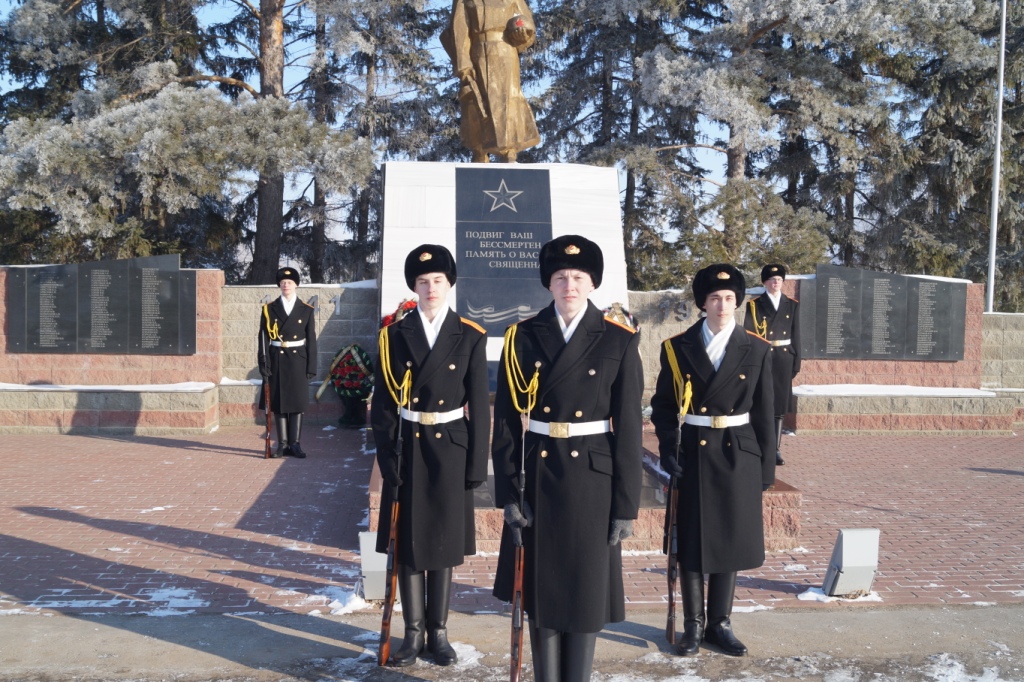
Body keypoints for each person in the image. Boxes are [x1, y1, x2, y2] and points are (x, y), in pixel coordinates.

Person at [491, 235, 643, 682]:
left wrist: (625, 504)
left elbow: (630, 428)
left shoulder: (618, 338)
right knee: (542, 592)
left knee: (583, 592)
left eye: (578, 277)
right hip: (538, 474)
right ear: (548, 283)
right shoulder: (523, 335)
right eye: (560, 277)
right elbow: (504, 423)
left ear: (592, 283)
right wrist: (508, 493)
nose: (569, 284)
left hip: (592, 479)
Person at [372, 244, 490, 667]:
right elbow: (383, 403)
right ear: (414, 287)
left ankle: (439, 634)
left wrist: (477, 464)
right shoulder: (394, 335)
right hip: (408, 445)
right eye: (423, 281)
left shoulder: (472, 334)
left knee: (443, 544)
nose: (431, 287)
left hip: (452, 447)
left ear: (449, 284)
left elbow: (479, 402)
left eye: (438, 280)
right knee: (407, 544)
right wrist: (386, 455)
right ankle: (413, 632)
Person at [650, 263, 775, 658]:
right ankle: (693, 625)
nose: (722, 305)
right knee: (690, 541)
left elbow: (765, 413)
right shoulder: (676, 347)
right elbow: (665, 407)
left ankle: (720, 623)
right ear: (703, 303)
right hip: (694, 450)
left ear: (737, 303)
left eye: (729, 299)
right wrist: (669, 448)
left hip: (738, 450)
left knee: (730, 540)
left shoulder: (757, 348)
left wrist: (765, 468)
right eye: (714, 299)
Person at [440, 0, 541, 162]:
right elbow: (458, 30)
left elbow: (528, 25)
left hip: (506, 50)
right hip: (477, 51)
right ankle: (479, 149)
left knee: (509, 99)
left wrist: (523, 35)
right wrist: (463, 65)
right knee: (476, 100)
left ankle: (509, 149)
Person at [257, 267, 318, 459]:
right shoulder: (269, 309)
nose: (286, 285)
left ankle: (295, 444)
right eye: (283, 282)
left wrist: (311, 366)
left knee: (296, 403)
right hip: (277, 359)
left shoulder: (306, 310)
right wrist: (263, 363)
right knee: (279, 402)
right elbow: (262, 338)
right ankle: (282, 444)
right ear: (279, 285)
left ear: (296, 285)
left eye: (289, 282)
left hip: (298, 359)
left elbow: (311, 339)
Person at [743, 264, 800, 465]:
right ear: (764, 282)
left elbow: (796, 334)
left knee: (779, 407)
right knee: (760, 402)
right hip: (763, 356)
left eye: (779, 280)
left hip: (784, 358)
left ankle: (775, 449)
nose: (776, 283)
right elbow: (749, 335)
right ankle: (759, 444)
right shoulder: (755, 305)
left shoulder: (791, 304)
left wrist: (796, 360)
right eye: (772, 279)